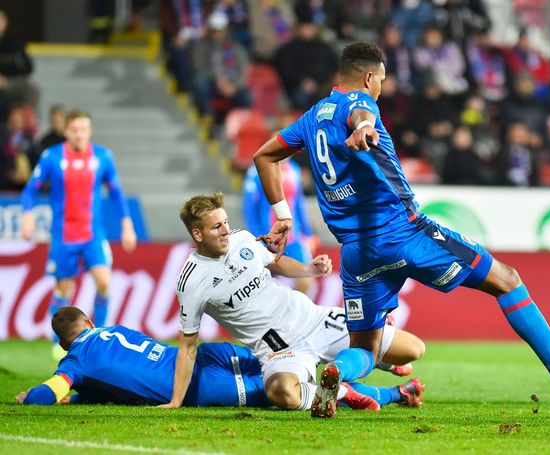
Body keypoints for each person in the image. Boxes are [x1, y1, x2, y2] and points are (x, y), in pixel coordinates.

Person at [252, 40, 550, 418]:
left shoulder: (311, 118)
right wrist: (365, 126)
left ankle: (338, 372)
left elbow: (263, 155)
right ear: (368, 77)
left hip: (356, 253)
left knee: (365, 347)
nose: (380, 88)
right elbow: (362, 112)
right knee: (507, 280)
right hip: (406, 233)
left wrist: (283, 216)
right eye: (380, 81)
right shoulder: (359, 103)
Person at [161, 192, 425, 414]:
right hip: (277, 348)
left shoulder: (242, 239)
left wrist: (309, 269)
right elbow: (187, 345)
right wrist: (176, 401)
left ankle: (378, 361)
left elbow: (275, 262)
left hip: (311, 319)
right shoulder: (192, 281)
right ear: (197, 233)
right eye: (216, 226)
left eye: (226, 222)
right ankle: (345, 390)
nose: (226, 231)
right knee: (281, 392)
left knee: (414, 349)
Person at [16, 307, 420, 409]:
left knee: (288, 391)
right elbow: (119, 380)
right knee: (292, 358)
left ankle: (361, 392)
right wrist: (82, 394)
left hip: (199, 385)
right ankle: (393, 378)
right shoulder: (115, 330)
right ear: (90, 320)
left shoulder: (76, 363)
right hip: (210, 356)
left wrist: (36, 394)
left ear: (65, 343)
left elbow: (42, 397)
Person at [20, 109, 137, 360]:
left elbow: (116, 193)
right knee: (63, 287)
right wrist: (27, 215)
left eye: (84, 129)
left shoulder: (103, 157)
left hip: (93, 233)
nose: (80, 134)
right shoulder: (52, 157)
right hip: (64, 235)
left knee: (104, 283)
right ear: (66, 131)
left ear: (90, 130)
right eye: (75, 130)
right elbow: (30, 189)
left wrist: (127, 224)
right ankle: (58, 342)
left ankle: (100, 335)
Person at [242, 159, 317, 293]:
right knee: (261, 284)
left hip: (293, 237)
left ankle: (295, 312)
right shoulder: (257, 169)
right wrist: (256, 236)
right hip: (267, 236)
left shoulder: (294, 169)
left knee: (306, 278)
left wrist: (308, 233)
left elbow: (299, 204)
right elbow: (249, 208)